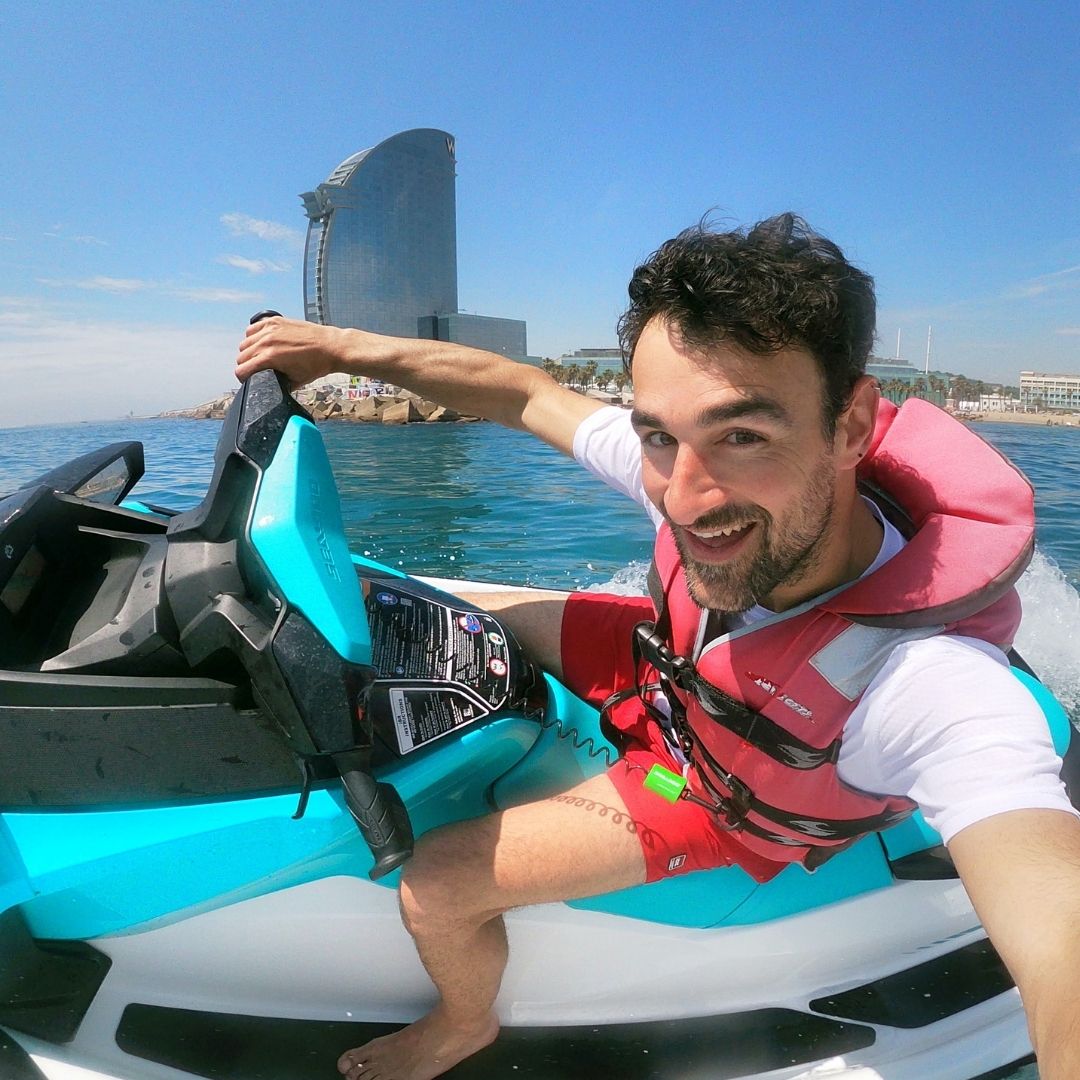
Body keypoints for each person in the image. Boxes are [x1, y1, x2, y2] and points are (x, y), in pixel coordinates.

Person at [236, 214, 1080, 1080]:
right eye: (658, 437)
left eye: (743, 436)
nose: (683, 497)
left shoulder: (928, 681)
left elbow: (1059, 933)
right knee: (438, 612)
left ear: (852, 425)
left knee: (437, 885)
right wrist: (334, 346)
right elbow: (520, 390)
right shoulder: (690, 475)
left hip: (714, 787)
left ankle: (462, 1025)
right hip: (667, 665)